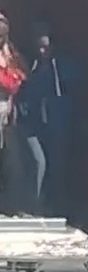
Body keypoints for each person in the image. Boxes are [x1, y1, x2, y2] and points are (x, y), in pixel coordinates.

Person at [18, 24, 81, 216]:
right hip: (35, 124)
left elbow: (72, 90)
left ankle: (55, 206)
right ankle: (35, 205)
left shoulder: (63, 67)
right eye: (39, 47)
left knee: (57, 164)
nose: (42, 51)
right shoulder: (32, 67)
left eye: (45, 47)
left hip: (57, 123)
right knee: (39, 162)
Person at [0, 13, 30, 216]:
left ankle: (11, 206)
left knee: (11, 161)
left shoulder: (11, 54)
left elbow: (21, 74)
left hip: (9, 112)